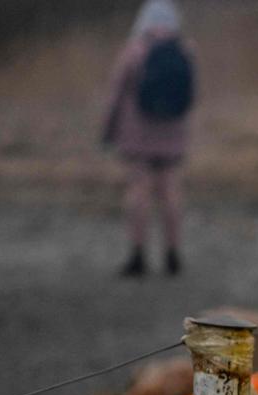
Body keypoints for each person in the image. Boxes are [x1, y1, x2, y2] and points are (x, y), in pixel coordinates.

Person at [102, 0, 194, 277]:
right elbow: (191, 94)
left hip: (138, 134)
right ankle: (173, 254)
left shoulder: (134, 50)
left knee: (138, 192)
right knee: (171, 192)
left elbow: (116, 93)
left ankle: (138, 255)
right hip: (173, 133)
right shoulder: (186, 49)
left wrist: (108, 131)